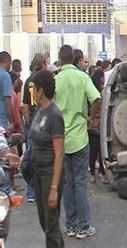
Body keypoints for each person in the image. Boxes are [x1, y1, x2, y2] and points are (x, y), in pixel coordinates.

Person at [55, 45, 101, 239]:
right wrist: (92, 117)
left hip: (61, 140)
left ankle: (71, 225)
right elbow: (97, 98)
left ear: (60, 59)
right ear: (74, 59)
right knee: (80, 183)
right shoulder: (82, 77)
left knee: (67, 184)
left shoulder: (55, 80)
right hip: (80, 137)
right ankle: (84, 226)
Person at [30, 70, 65, 247]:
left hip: (49, 174)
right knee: (46, 222)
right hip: (38, 173)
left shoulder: (54, 115)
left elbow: (59, 154)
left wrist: (54, 188)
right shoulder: (39, 110)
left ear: (40, 90)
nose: (33, 93)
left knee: (50, 226)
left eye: (34, 89)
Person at [23, 53, 49, 202]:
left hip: (32, 123)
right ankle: (38, 189)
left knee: (31, 156)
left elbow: (25, 104)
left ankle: (32, 190)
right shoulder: (44, 81)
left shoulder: (28, 81)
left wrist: (28, 122)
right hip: (42, 122)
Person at [88, 68, 108, 184]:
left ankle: (94, 174)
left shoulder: (94, 91)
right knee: (100, 151)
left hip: (94, 126)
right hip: (99, 125)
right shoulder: (100, 92)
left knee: (94, 151)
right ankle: (102, 173)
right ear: (101, 78)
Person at [0, 52, 15, 134]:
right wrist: (12, 122)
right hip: (3, 120)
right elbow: (8, 100)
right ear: (7, 61)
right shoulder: (5, 76)